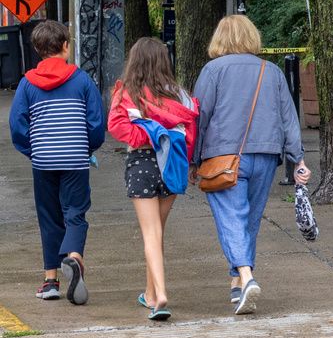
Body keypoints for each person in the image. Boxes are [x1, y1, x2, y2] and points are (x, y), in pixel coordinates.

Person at [193, 15, 310, 315]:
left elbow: (199, 117)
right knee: (250, 221)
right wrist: (298, 158)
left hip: (224, 157)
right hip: (267, 155)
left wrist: (193, 159)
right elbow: (289, 117)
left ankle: (246, 277)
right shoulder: (270, 71)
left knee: (231, 217)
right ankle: (236, 283)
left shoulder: (213, 70)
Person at [8, 20, 105, 305]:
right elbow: (96, 124)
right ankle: (74, 257)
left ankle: (51, 281)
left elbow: (17, 126)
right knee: (75, 212)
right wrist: (87, 147)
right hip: (75, 158)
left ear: (38, 50)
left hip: (43, 162)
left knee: (49, 218)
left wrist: (33, 150)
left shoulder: (27, 84)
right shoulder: (82, 80)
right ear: (65, 46)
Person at [107, 37, 199, 321]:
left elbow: (117, 126)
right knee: (158, 231)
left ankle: (160, 295)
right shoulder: (179, 95)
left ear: (134, 61)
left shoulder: (127, 93)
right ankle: (149, 293)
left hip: (142, 163)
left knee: (151, 233)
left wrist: (144, 137)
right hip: (173, 164)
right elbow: (191, 132)